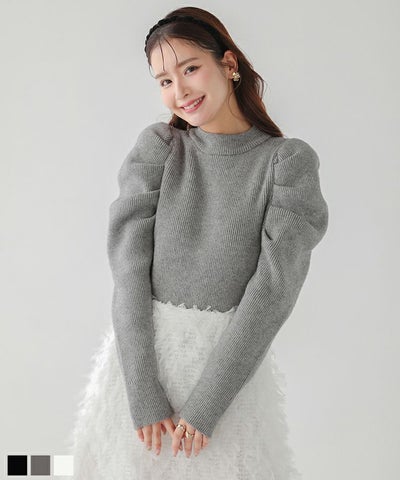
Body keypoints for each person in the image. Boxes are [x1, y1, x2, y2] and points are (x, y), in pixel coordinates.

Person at [67, 6, 329, 479]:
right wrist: (142, 392)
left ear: (228, 64)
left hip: (227, 387)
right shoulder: (160, 150)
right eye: (164, 80)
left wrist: (208, 404)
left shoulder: (285, 164)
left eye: (190, 69)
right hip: (139, 375)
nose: (180, 91)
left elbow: (273, 291)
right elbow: (128, 272)